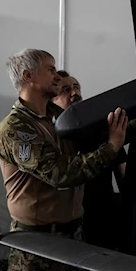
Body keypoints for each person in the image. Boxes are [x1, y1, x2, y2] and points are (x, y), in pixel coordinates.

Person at [0, 48, 136, 271]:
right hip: (35, 246)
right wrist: (111, 146)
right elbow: (61, 174)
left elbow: (120, 129)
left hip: (73, 237)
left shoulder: (61, 119)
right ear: (28, 76)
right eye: (50, 70)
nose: (57, 77)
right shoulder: (16, 128)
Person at [51, 70, 127, 250]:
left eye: (76, 87)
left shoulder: (103, 132)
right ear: (51, 102)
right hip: (62, 230)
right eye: (65, 90)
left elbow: (124, 176)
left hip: (102, 224)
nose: (74, 93)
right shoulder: (48, 138)